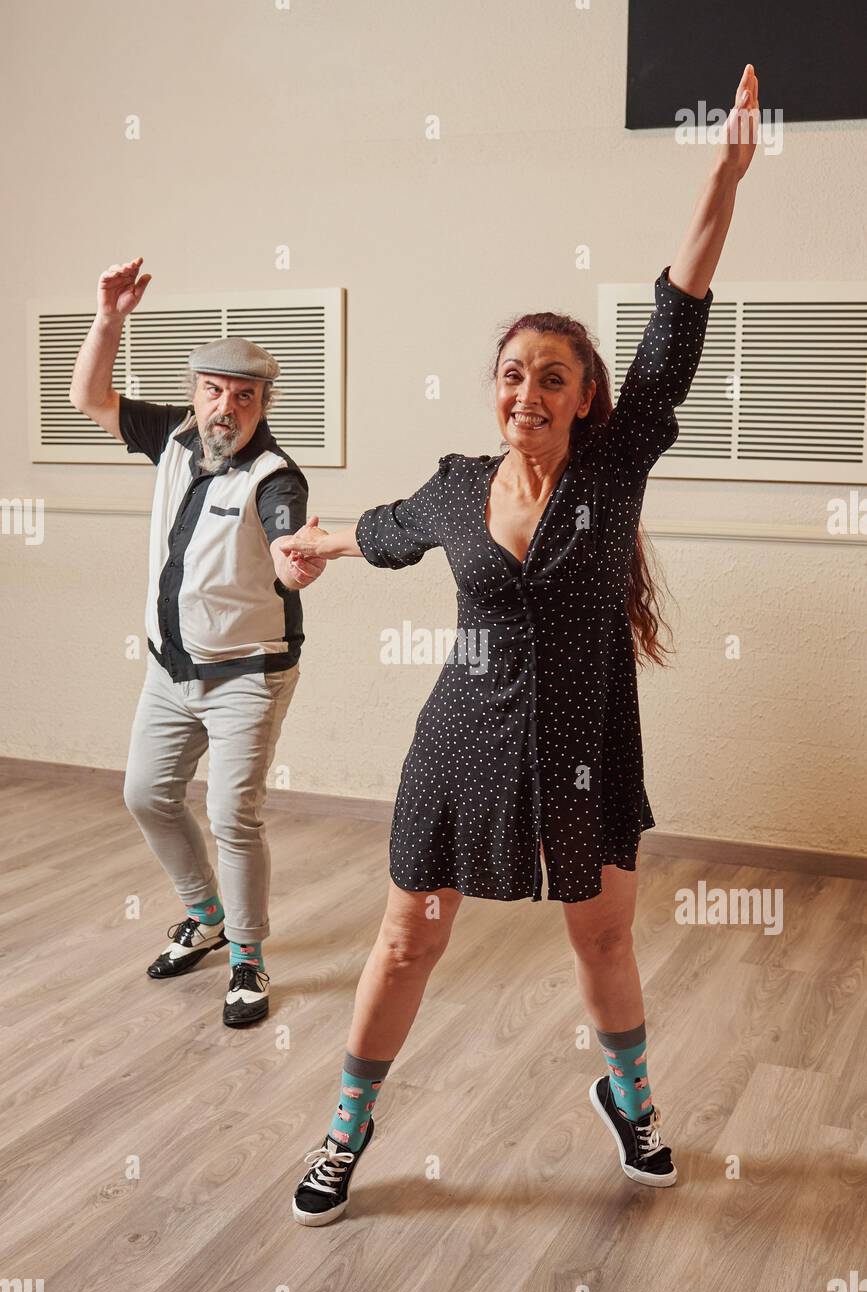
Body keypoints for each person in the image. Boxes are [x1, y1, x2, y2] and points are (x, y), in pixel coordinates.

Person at [278, 64, 761, 1222]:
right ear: (494, 394)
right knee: (408, 940)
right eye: (513, 375)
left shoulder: (615, 459)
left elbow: (678, 315)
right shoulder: (455, 489)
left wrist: (725, 175)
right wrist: (316, 544)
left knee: (601, 938)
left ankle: (631, 1101)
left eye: (553, 375)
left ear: (589, 396)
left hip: (585, 740)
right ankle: (348, 1122)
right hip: (459, 737)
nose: (527, 390)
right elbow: (382, 531)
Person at [69, 261, 325, 1026]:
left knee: (231, 814)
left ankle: (247, 957)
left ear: (262, 404)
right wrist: (109, 317)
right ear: (195, 393)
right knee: (145, 793)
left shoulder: (277, 477)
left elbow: (287, 545)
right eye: (214, 390)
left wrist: (296, 562)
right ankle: (204, 915)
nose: (226, 407)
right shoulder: (173, 438)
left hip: (247, 673)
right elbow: (88, 398)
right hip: (169, 668)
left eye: (244, 396)